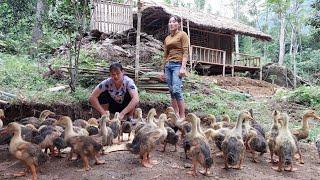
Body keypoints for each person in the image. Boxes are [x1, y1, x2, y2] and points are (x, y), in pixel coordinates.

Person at [160, 15, 189, 120]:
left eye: (174, 22)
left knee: (177, 90)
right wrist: (162, 71)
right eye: (170, 22)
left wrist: (183, 67)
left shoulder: (182, 34)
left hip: (178, 65)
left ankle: (182, 115)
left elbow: (186, 51)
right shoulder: (167, 38)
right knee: (172, 90)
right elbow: (165, 55)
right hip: (168, 66)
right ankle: (175, 113)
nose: (171, 24)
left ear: (178, 24)